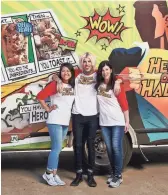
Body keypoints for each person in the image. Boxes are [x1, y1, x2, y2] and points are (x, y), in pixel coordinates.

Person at [53, 52, 122, 187]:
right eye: (84, 61)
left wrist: (119, 81)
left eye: (89, 61)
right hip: (77, 115)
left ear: (93, 63)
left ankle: (90, 175)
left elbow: (112, 76)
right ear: (81, 63)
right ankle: (79, 174)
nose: (87, 64)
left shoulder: (98, 75)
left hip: (92, 116)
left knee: (90, 146)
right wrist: (58, 80)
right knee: (78, 145)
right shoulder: (77, 73)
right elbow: (58, 74)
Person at [36, 63, 75, 186]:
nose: (66, 73)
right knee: (56, 148)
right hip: (55, 120)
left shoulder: (72, 85)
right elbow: (40, 96)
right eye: (63, 71)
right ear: (60, 72)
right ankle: (48, 173)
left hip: (64, 121)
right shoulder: (55, 84)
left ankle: (54, 173)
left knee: (58, 149)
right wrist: (47, 108)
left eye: (68, 71)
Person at [95, 60, 129, 188]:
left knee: (116, 147)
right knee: (109, 149)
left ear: (111, 70)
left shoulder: (116, 84)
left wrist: (127, 120)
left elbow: (124, 104)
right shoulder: (98, 84)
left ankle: (118, 176)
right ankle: (114, 172)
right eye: (103, 70)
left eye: (107, 69)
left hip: (117, 121)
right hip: (104, 122)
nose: (105, 72)